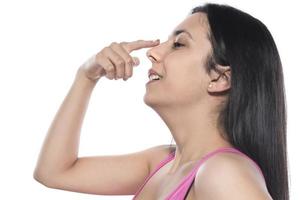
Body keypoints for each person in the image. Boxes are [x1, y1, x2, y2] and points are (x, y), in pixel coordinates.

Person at [33, 3, 289, 200]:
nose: (153, 52)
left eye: (178, 44)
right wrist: (86, 76)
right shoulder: (161, 163)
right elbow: (53, 172)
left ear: (220, 78)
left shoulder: (222, 171)